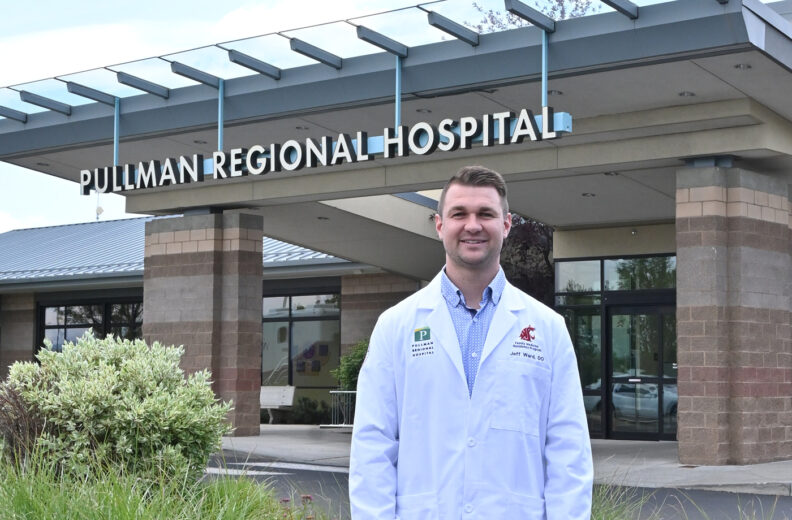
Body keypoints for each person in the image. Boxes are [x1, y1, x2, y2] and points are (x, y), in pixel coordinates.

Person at [349, 165, 593, 520]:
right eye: (459, 213)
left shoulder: (548, 329)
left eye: (486, 214)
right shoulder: (395, 327)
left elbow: (569, 452)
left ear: (506, 225)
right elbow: (373, 447)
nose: (473, 225)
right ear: (439, 225)